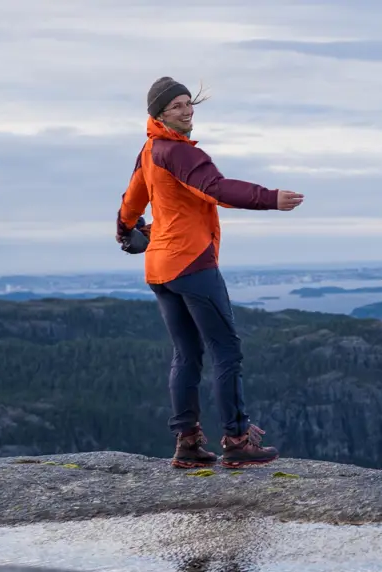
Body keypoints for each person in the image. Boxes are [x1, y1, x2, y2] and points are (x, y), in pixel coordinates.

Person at [116, 77, 304, 469]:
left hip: (159, 270)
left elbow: (132, 200)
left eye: (189, 104)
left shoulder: (150, 151)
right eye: (177, 106)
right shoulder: (178, 153)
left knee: (186, 353)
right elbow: (215, 188)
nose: (186, 112)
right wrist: (269, 198)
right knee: (226, 351)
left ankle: (187, 443)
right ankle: (237, 439)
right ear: (158, 114)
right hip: (192, 264)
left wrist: (125, 232)